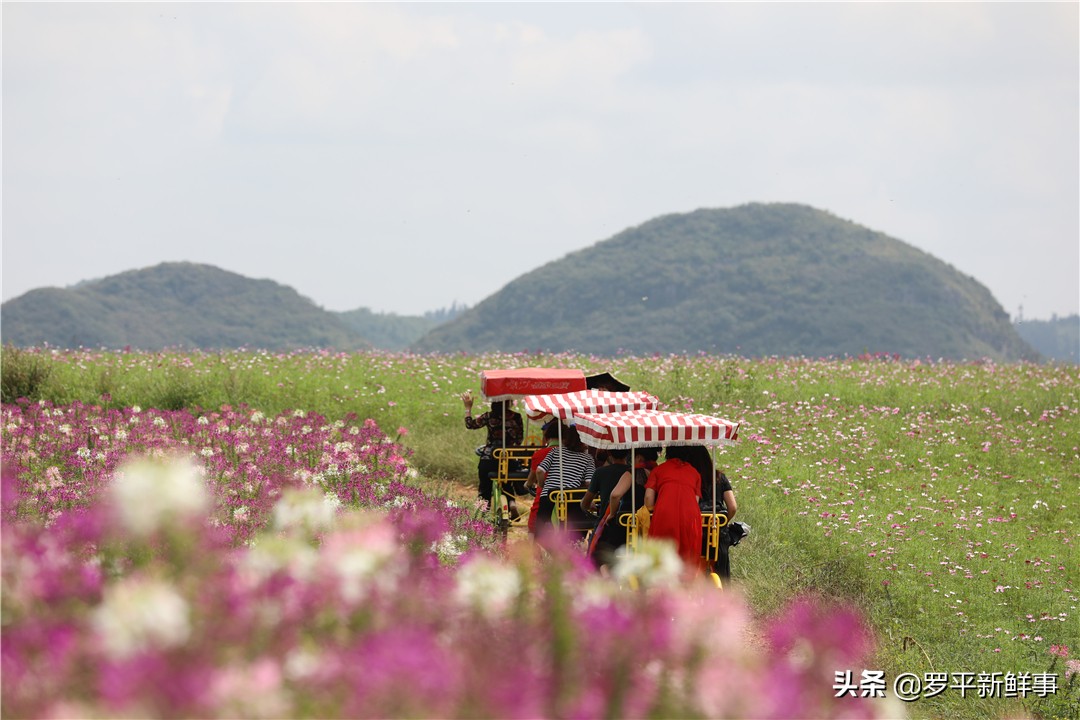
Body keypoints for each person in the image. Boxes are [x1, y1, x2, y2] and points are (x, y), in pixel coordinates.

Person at [461, 390, 524, 515]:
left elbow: (470, 425)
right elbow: (519, 439)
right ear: (508, 403)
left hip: (489, 457)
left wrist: (468, 408)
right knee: (507, 481)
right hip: (509, 457)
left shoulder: (489, 416)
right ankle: (511, 502)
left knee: (484, 487)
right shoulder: (516, 417)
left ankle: (482, 514)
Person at [644, 445, 705, 572]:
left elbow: (648, 499)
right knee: (688, 552)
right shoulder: (695, 473)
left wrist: (650, 509)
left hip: (665, 513)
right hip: (690, 515)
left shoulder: (659, 470)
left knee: (661, 551)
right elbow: (695, 500)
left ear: (668, 452)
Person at [533, 425, 595, 541]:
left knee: (541, 529)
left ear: (566, 438)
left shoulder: (555, 452)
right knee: (576, 529)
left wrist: (542, 485)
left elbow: (540, 471)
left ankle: (539, 553)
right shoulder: (588, 458)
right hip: (571, 498)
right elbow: (589, 483)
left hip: (549, 495)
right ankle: (571, 549)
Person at [685, 445, 738, 579]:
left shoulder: (689, 478)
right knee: (721, 572)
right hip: (717, 532)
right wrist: (722, 522)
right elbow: (732, 507)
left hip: (697, 530)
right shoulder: (720, 477)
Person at [579, 447, 631, 567]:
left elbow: (586, 502)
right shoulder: (636, 473)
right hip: (629, 525)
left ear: (608, 453)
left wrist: (587, 505)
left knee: (594, 559)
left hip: (607, 525)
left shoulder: (600, 472)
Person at [524, 420, 560, 535]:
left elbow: (533, 477)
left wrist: (528, 485)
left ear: (546, 437)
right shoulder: (574, 455)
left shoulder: (539, 454)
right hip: (568, 496)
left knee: (533, 525)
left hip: (545, 495)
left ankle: (534, 551)